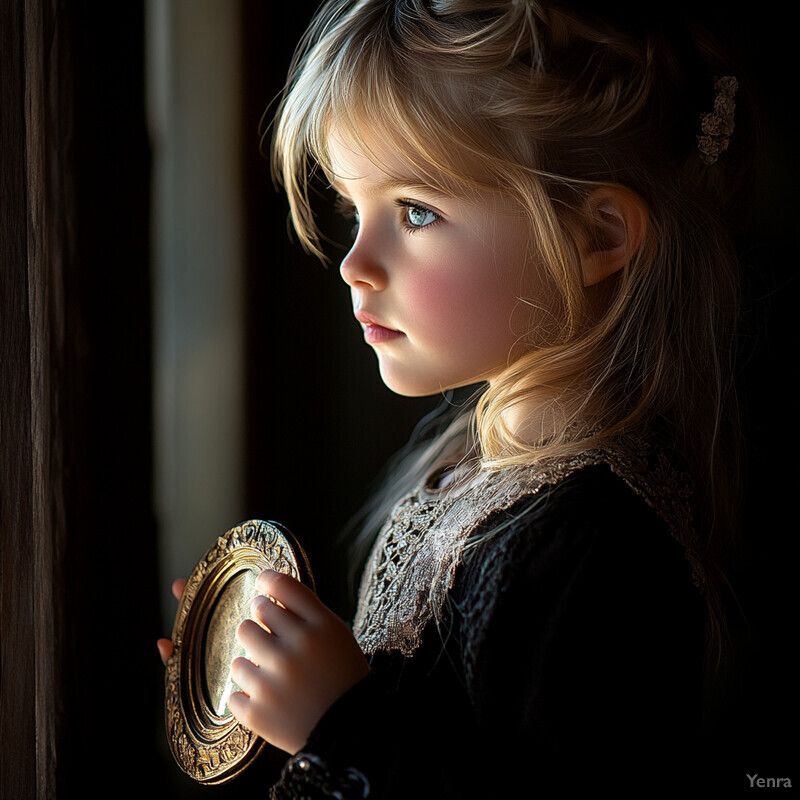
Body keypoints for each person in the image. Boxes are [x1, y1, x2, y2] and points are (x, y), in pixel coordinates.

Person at [160, 0, 752, 795]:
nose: (355, 264)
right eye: (353, 210)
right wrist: (277, 692)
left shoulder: (598, 543)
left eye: (415, 211)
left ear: (597, 237)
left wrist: (340, 723)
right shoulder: (471, 468)